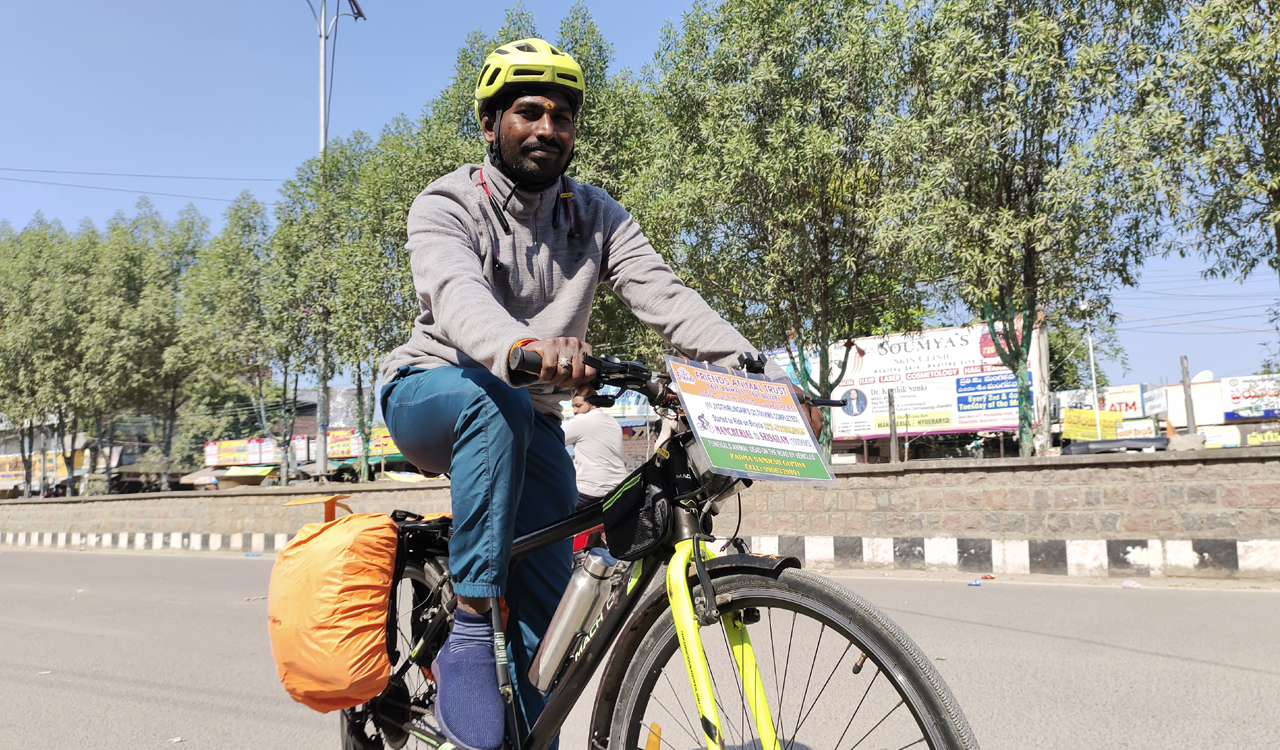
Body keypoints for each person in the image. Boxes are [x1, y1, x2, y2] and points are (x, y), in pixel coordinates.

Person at [378, 38, 823, 750]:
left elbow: (666, 297)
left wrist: (758, 371)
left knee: (548, 633)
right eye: (528, 111)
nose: (548, 128)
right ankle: (467, 618)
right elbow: (455, 293)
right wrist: (519, 351)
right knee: (498, 402)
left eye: (563, 116)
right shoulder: (447, 202)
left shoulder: (596, 216)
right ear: (490, 124)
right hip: (435, 392)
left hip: (532, 422)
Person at [563, 389, 627, 508]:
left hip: (589, 491)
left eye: (578, 406)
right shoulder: (613, 422)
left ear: (592, 403)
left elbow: (555, 439)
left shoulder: (581, 420)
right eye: (573, 407)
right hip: (618, 489)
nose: (575, 411)